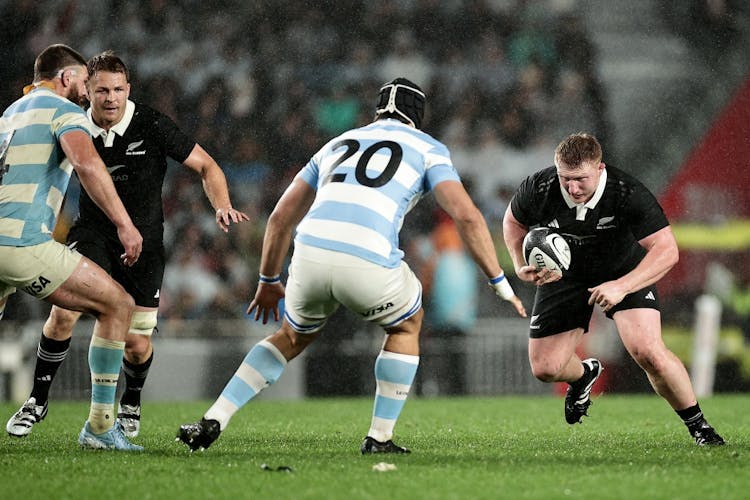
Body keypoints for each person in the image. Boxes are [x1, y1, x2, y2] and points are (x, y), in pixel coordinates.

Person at [177, 77, 527, 453]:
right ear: (417, 118)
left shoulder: (336, 143)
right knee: (407, 323)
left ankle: (214, 417)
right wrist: (498, 281)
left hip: (309, 253)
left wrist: (267, 279)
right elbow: (468, 216)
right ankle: (379, 438)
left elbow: (280, 217)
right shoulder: (428, 147)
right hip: (367, 257)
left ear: (378, 110)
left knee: (290, 336)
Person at [5, 51, 249, 439]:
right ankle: (38, 400)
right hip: (93, 235)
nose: (110, 98)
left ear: (128, 89)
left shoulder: (151, 124)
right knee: (63, 315)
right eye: (101, 89)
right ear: (88, 90)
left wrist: (221, 205)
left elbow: (207, 166)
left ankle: (130, 401)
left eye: (118, 89)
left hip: (146, 242)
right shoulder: (73, 123)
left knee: (136, 344)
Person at [502, 132, 725, 446]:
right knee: (546, 368)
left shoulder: (626, 192)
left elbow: (667, 250)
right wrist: (518, 261)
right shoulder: (540, 187)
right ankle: (582, 377)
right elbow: (512, 221)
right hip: (564, 275)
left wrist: (622, 286)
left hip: (625, 270)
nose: (572, 187)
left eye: (580, 179)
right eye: (565, 179)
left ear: (599, 169)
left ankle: (700, 427)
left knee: (648, 352)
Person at [0, 44, 143, 451]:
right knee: (117, 305)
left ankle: (39, 404)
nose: (87, 90)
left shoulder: (10, 114)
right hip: (21, 242)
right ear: (66, 79)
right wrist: (124, 224)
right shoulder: (65, 111)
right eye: (83, 81)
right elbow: (87, 164)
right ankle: (100, 427)